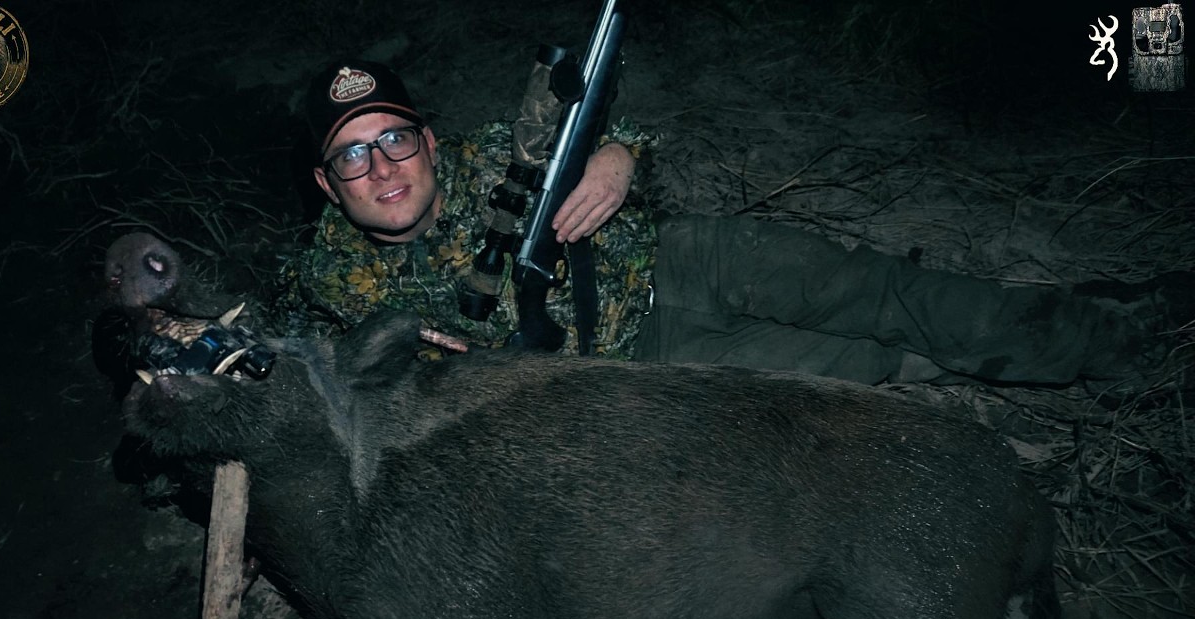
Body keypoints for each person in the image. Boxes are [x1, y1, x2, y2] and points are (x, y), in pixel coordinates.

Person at [276, 58, 1183, 391]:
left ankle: (1116, 336)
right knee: (871, 366)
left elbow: (615, 127)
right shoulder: (330, 287)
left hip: (688, 258)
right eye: (352, 155)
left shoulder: (492, 153)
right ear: (324, 183)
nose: (382, 167)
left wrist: (617, 158)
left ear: (428, 140)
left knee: (887, 292)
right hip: (650, 368)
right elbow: (302, 377)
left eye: (394, 137)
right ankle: (1047, 335)